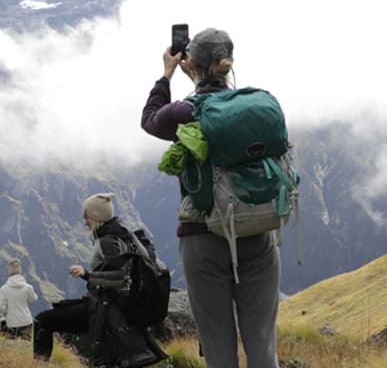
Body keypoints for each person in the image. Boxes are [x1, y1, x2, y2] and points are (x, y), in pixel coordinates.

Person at [141, 28, 280, 368]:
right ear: (228, 64)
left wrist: (167, 74)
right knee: (262, 340)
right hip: (258, 230)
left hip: (204, 237)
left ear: (193, 65)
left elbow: (149, 120)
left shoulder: (186, 111)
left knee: (218, 344)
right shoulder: (255, 107)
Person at [32, 193, 166, 366]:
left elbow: (121, 277)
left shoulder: (107, 241)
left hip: (105, 309)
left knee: (43, 320)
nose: (84, 220)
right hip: (117, 306)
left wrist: (87, 275)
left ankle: (38, 365)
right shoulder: (124, 234)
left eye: (85, 215)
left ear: (95, 217)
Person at [0, 259, 37, 339]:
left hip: (11, 323)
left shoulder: (4, 289)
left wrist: (6, 312)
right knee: (25, 346)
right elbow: (34, 299)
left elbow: (2, 308)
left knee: (10, 348)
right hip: (26, 321)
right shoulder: (28, 287)